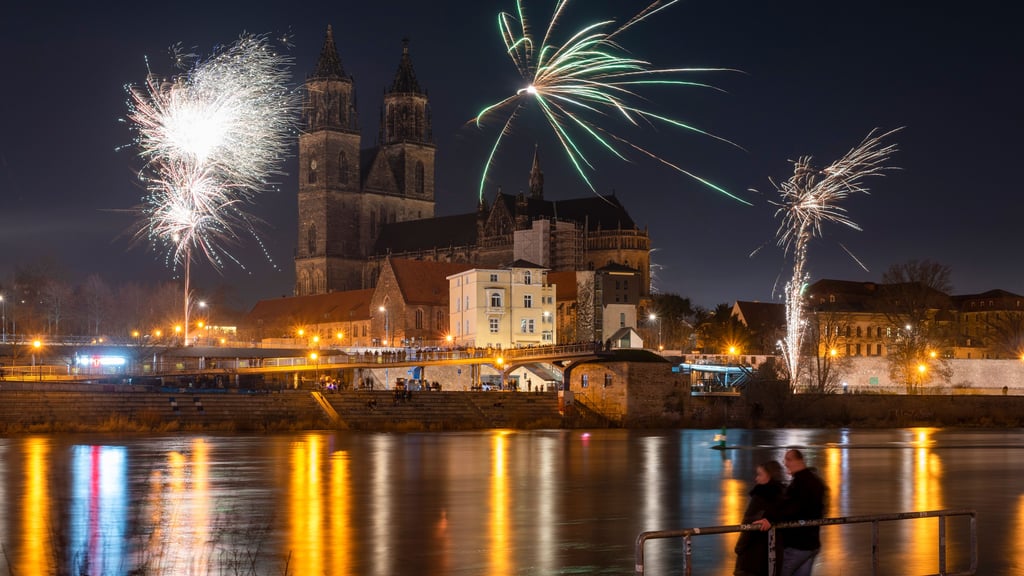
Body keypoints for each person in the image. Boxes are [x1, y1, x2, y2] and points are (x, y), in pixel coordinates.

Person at [752, 449, 828, 576]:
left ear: (798, 461)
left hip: (798, 544)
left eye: (788, 460)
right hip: (812, 543)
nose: (785, 463)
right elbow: (819, 508)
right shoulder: (816, 482)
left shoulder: (800, 484)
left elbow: (791, 508)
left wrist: (770, 519)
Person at [734, 460, 786, 576]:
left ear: (769, 476)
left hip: (753, 557)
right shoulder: (783, 494)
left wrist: (739, 548)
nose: (756, 479)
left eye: (760, 474)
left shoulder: (761, 496)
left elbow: (749, 524)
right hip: (774, 554)